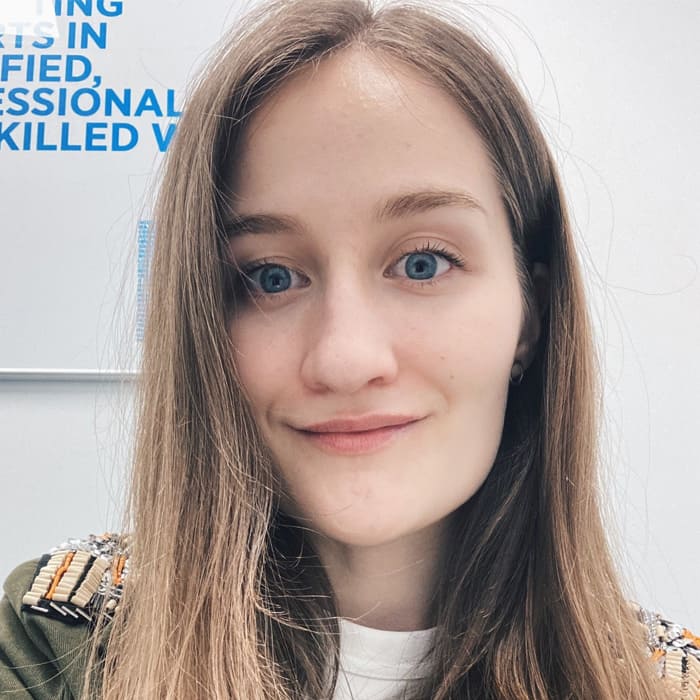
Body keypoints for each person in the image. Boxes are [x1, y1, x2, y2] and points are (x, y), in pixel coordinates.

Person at [1, 0, 698, 698]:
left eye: (423, 263)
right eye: (271, 278)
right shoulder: (58, 644)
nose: (344, 357)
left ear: (531, 316)